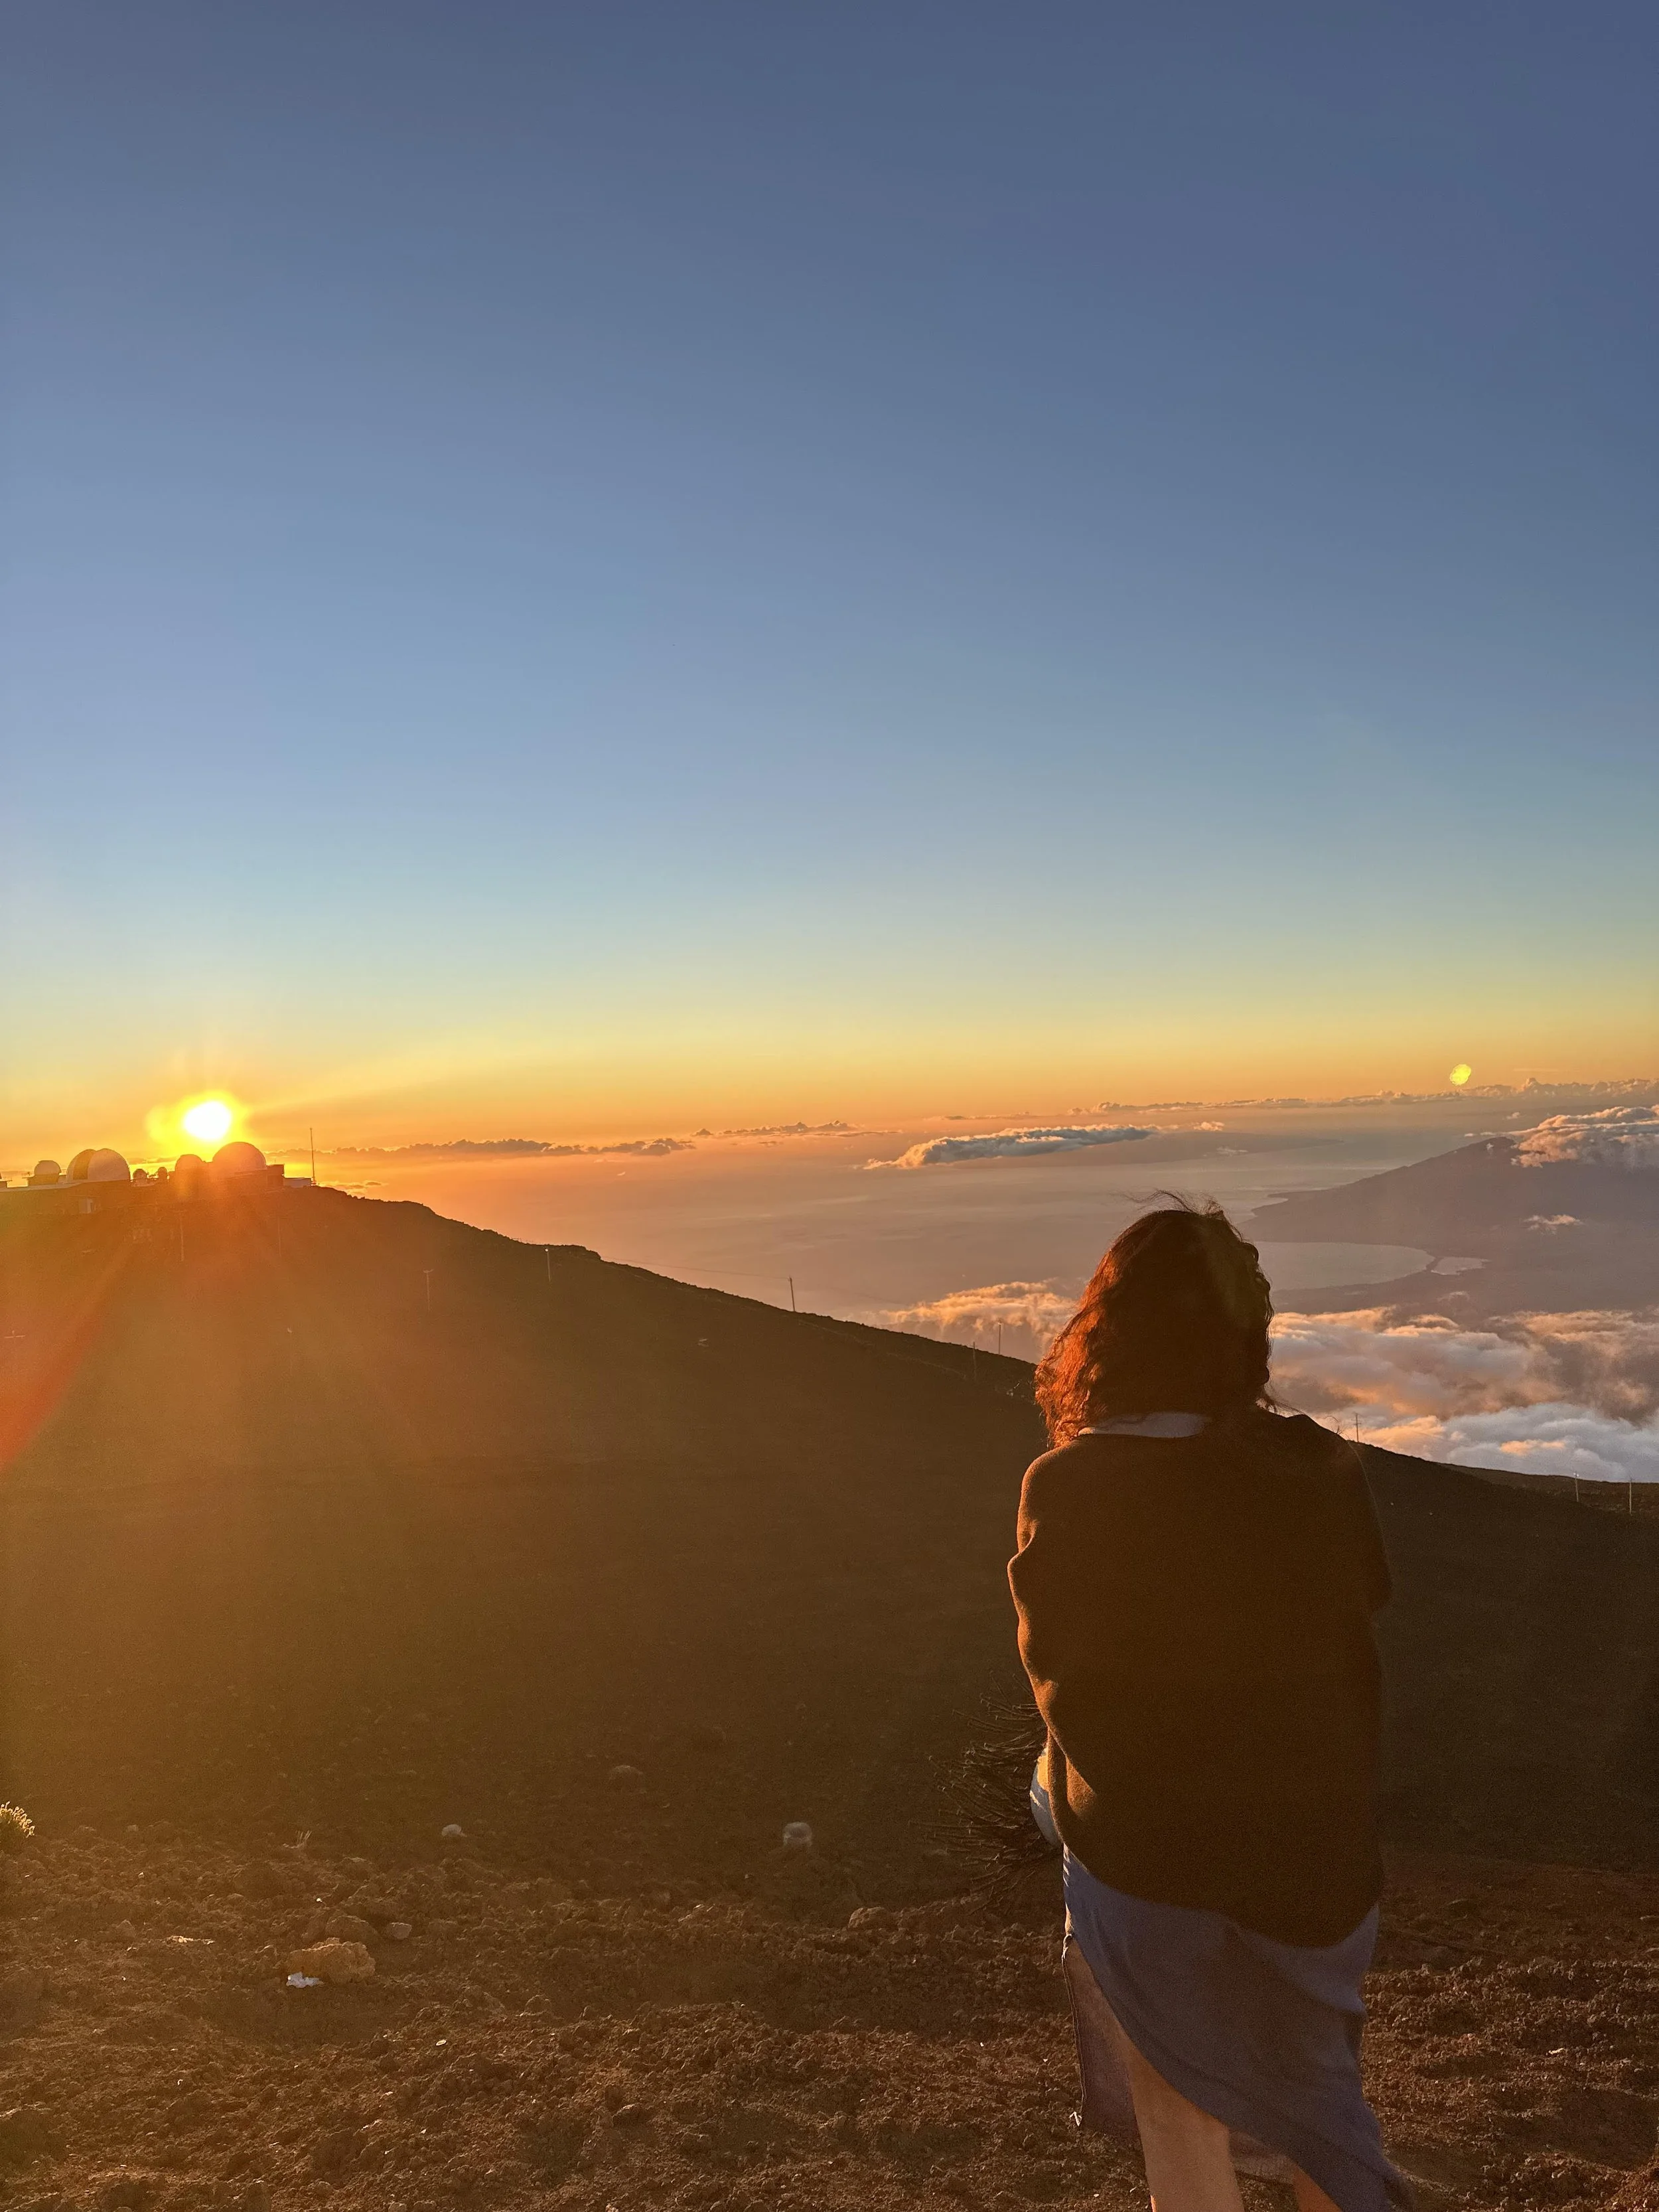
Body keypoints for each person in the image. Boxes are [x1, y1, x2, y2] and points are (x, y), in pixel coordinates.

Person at [1007, 1203, 1411, 2212]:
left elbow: (1066, 1688)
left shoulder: (1069, 1485)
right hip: (1314, 1862)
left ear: (1105, 1331)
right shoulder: (1319, 1468)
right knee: (1324, 2096)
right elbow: (1362, 1605)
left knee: (1052, 1797)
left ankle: (1146, 2053)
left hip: (1157, 1866)